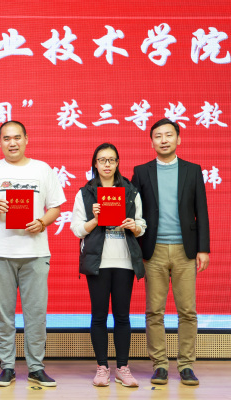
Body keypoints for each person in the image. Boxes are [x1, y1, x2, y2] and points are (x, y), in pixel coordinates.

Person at [0, 121, 65, 387]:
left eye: (17, 137)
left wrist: (42, 222)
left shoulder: (43, 169)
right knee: (3, 314)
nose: (12, 143)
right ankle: (7, 366)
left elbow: (55, 207)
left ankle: (36, 367)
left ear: (26, 139)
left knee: (36, 313)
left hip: (35, 252)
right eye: (6, 138)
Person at [132, 118, 210, 386]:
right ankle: (160, 365)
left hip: (185, 251)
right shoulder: (141, 172)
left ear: (178, 139)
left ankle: (186, 365)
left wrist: (203, 248)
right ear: (151, 141)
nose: (163, 140)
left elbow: (201, 211)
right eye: (158, 136)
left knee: (187, 311)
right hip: (152, 250)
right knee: (154, 311)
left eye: (168, 135)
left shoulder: (193, 170)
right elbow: (134, 210)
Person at [70, 143, 146, 388]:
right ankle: (102, 367)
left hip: (124, 261)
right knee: (99, 316)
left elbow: (142, 224)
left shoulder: (130, 191)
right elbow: (77, 229)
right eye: (102, 160)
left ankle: (123, 368)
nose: (107, 164)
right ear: (95, 163)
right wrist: (95, 220)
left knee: (122, 316)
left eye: (111, 160)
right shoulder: (85, 193)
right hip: (98, 262)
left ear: (117, 163)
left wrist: (134, 226)